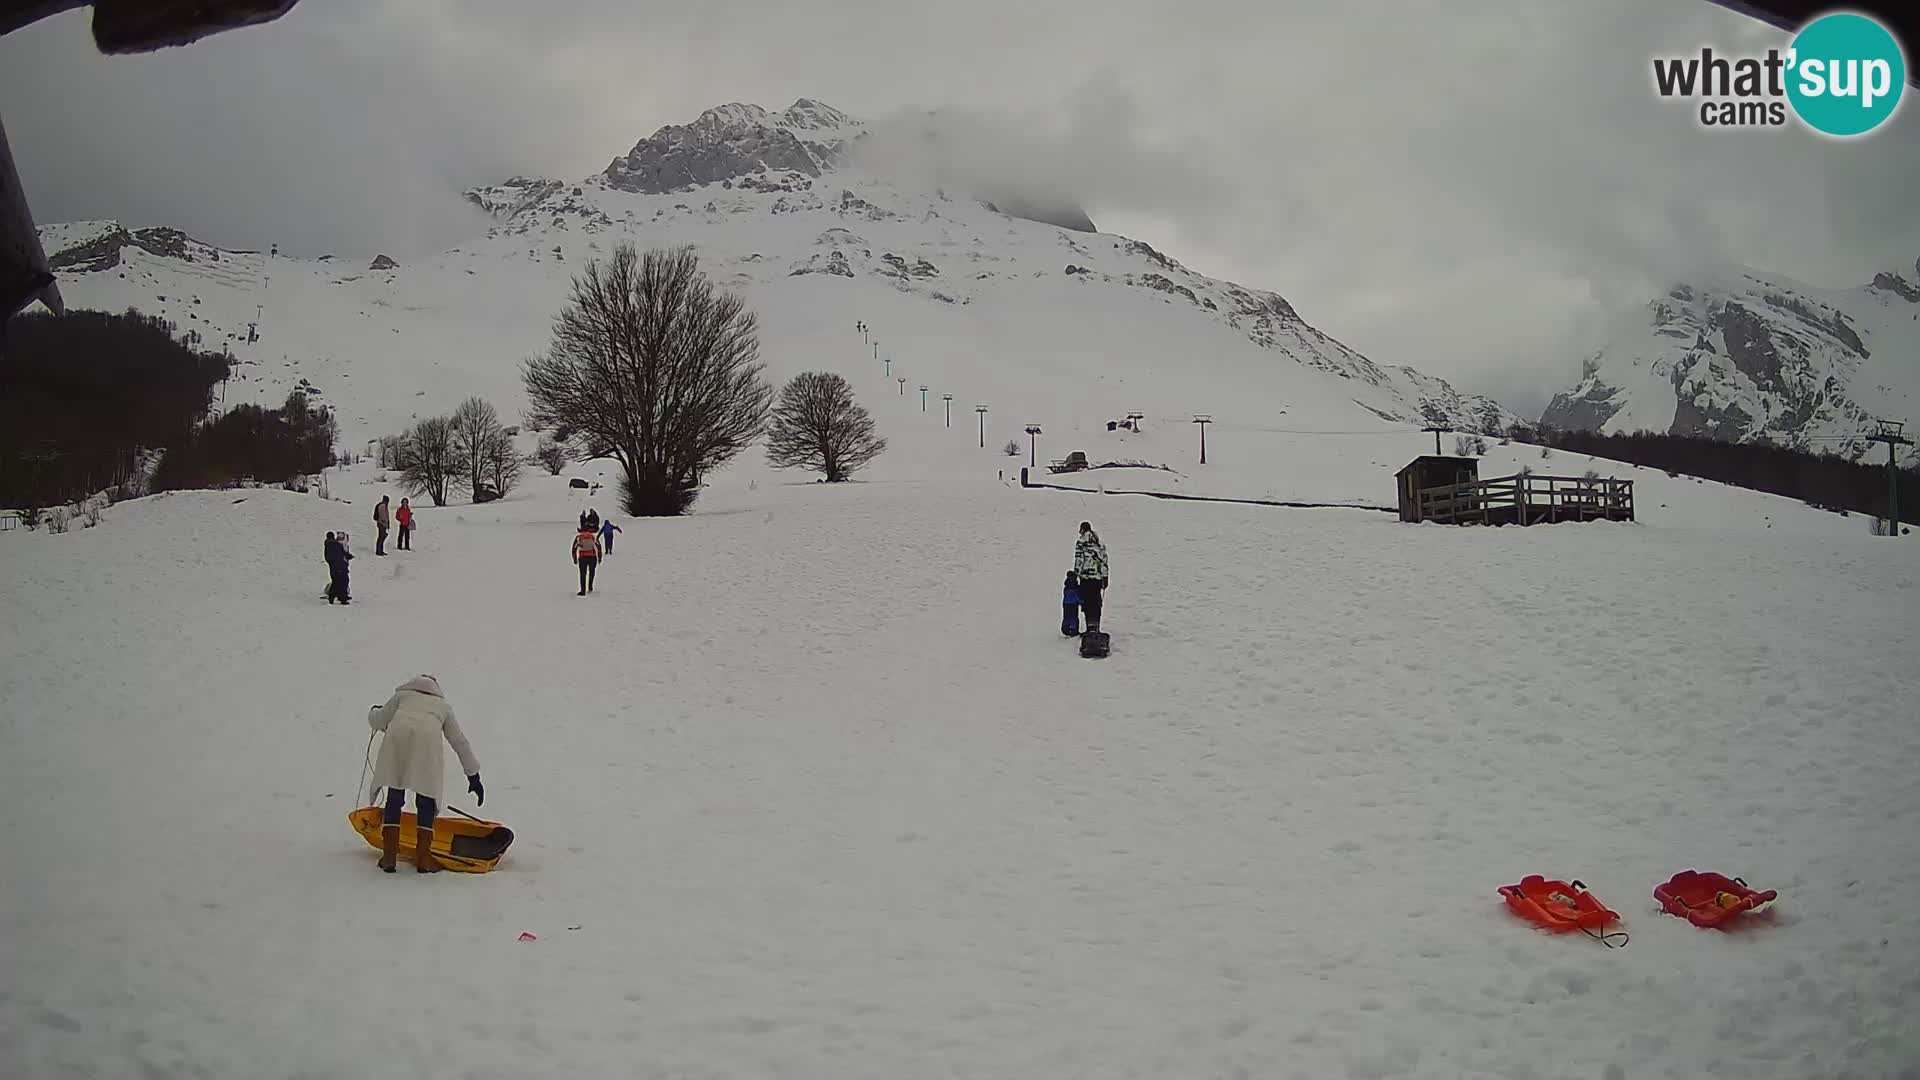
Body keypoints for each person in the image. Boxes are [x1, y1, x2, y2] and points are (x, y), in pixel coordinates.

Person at [366, 674, 483, 873]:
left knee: (395, 792)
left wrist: (373, 711)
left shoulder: (402, 696)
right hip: (426, 744)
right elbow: (459, 741)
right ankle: (423, 858)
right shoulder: (442, 706)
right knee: (426, 797)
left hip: (398, 738)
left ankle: (389, 856)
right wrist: (474, 777)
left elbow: (378, 720)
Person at [1073, 521, 1109, 634]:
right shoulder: (1100, 545)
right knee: (1096, 602)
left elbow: (1079, 560)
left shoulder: (1081, 543)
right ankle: (1096, 627)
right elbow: (1104, 561)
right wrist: (1105, 576)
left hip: (1086, 578)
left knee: (1087, 602)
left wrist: (1076, 574)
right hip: (1098, 578)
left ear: (1083, 530)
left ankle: (1089, 628)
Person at [572, 523, 602, 595]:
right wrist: (599, 557)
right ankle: (590, 586)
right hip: (592, 556)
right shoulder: (592, 537)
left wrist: (575, 558)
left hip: (582, 557)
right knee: (592, 572)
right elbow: (598, 546)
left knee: (583, 574)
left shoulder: (579, 537)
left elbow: (574, 548)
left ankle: (583, 590)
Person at [324, 531, 352, 604]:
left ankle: (332, 598)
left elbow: (327, 558)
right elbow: (343, 553)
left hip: (333, 567)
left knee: (336, 582)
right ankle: (342, 598)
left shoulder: (327, 545)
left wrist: (332, 563)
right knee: (344, 581)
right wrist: (349, 556)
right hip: (341, 566)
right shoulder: (336, 544)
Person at [1061, 571, 1082, 636]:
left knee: (1067, 616)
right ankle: (1073, 630)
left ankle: (1065, 628)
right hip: (1073, 604)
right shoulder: (1075, 586)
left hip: (1066, 603)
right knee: (1074, 617)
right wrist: (1081, 601)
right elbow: (1076, 595)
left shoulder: (1066, 585)